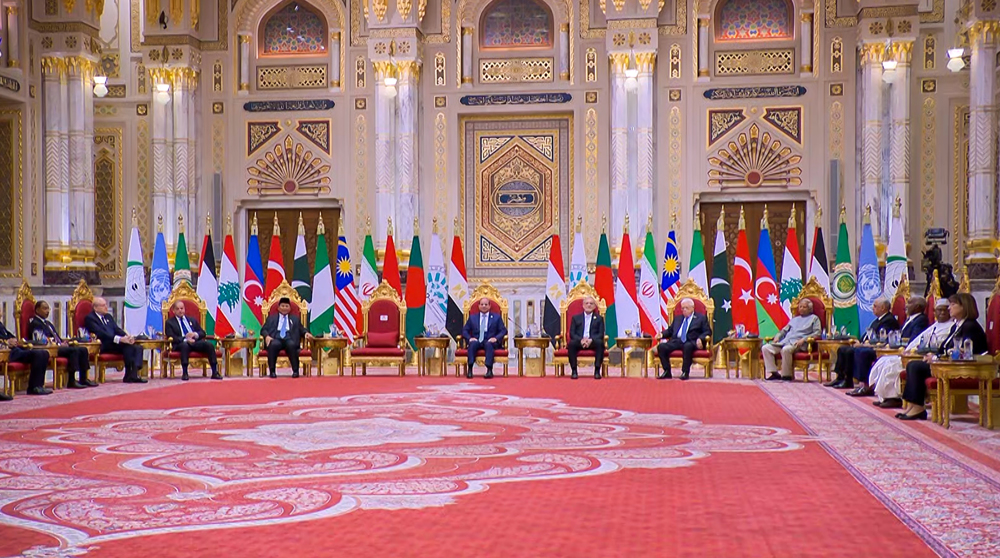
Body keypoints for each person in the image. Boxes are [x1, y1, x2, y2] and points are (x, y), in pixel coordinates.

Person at [898, 293, 988, 420]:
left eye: (952, 304)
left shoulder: (970, 326)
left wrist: (936, 358)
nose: (949, 308)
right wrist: (933, 355)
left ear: (964, 306)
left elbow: (961, 352)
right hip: (949, 365)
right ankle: (913, 405)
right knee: (913, 365)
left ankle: (918, 407)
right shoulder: (957, 326)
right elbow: (944, 348)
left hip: (963, 368)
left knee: (916, 367)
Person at [869, 298, 954, 409]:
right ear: (935, 312)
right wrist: (909, 349)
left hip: (926, 356)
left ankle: (894, 397)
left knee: (893, 365)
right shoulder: (935, 325)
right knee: (885, 360)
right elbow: (918, 339)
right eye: (939, 310)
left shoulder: (951, 326)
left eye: (945, 310)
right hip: (915, 353)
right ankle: (884, 396)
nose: (942, 312)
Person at [847, 296, 928, 397]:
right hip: (895, 347)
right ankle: (870, 388)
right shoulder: (910, 319)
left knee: (865, 353)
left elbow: (913, 339)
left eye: (909, 303)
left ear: (917, 307)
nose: (906, 306)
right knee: (859, 351)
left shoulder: (921, 320)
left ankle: (876, 390)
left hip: (905, 351)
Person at [825, 297, 899, 390]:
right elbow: (868, 334)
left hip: (876, 347)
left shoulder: (889, 320)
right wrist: (859, 341)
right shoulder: (878, 319)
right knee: (842, 349)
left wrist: (863, 344)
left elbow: (881, 338)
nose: (872, 308)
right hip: (866, 344)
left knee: (854, 351)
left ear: (883, 308)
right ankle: (840, 378)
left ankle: (854, 381)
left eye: (875, 306)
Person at [29, 300, 95, 389]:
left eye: (48, 309)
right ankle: (71, 380)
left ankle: (83, 378)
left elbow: (57, 337)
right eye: (44, 309)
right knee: (74, 351)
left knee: (83, 349)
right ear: (37, 310)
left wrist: (63, 342)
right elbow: (40, 339)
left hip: (58, 345)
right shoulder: (35, 323)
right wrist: (58, 344)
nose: (47, 311)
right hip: (50, 349)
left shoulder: (48, 323)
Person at [85, 297, 145, 383]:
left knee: (137, 347)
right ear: (95, 308)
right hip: (103, 344)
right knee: (127, 347)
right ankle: (130, 375)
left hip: (115, 343)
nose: (106, 307)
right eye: (103, 305)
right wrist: (120, 339)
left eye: (106, 305)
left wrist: (127, 336)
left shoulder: (108, 316)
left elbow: (117, 329)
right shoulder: (90, 318)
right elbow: (101, 333)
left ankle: (134, 373)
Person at [762, 298, 822, 381]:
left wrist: (804, 339)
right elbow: (784, 330)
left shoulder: (814, 318)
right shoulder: (794, 319)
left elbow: (817, 333)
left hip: (798, 343)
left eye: (804, 307)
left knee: (786, 350)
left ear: (810, 309)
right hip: (785, 341)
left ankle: (786, 375)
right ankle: (774, 373)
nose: (801, 309)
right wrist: (777, 336)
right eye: (800, 307)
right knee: (766, 348)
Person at [164, 300, 220, 381]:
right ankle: (185, 373)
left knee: (209, 345)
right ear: (174, 311)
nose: (180, 310)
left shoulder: (191, 320)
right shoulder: (169, 322)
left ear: (184, 309)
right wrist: (185, 338)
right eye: (177, 309)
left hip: (195, 342)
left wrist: (195, 334)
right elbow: (171, 336)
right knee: (185, 346)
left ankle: (214, 372)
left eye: (182, 308)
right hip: (181, 343)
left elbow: (203, 333)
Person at [656, 298, 711, 380]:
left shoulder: (701, 318)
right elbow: (670, 331)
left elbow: (707, 331)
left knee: (687, 346)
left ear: (692, 308)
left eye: (686, 308)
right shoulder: (678, 318)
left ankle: (685, 372)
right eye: (682, 308)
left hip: (691, 341)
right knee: (661, 347)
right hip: (677, 341)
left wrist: (700, 338)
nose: (684, 310)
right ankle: (667, 371)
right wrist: (662, 334)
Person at [260, 297, 312, 378]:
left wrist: (306, 333)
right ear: (278, 308)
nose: (284, 308)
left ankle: (295, 371)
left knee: (291, 345)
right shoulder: (271, 318)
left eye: (286, 306)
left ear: (290, 308)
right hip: (276, 337)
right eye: (282, 306)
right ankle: (272, 371)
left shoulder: (295, 319)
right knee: (273, 345)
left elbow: (301, 329)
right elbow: (263, 330)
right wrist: (267, 336)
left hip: (289, 337)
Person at [0, 321, 51, 395]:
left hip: (16, 349)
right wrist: (7, 342)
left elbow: (10, 336)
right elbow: (4, 340)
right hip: (9, 353)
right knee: (38, 354)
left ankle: (39, 385)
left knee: (44, 353)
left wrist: (15, 340)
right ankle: (33, 387)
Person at [461, 297, 507, 379]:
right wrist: (469, 338)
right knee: (472, 344)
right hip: (477, 339)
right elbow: (464, 330)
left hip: (490, 340)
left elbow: (503, 330)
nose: (484, 306)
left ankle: (489, 370)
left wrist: (496, 338)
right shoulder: (472, 317)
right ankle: (470, 369)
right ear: (478, 306)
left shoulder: (496, 317)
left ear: (489, 306)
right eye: (482, 304)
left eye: (486, 304)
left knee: (489, 345)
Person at [567, 296, 606, 380]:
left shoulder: (599, 319)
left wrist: (590, 340)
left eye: (591, 303)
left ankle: (597, 370)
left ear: (594, 306)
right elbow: (572, 333)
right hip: (579, 341)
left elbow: (600, 334)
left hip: (593, 341)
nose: (589, 305)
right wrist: (581, 340)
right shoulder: (575, 318)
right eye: (587, 303)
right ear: (583, 305)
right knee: (571, 344)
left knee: (600, 343)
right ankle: (574, 370)